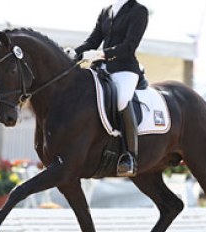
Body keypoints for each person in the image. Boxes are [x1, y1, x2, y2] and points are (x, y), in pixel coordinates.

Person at [71, 0, 149, 177]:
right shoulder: (106, 11)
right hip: (103, 68)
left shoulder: (138, 11)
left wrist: (102, 54)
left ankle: (130, 156)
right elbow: (93, 40)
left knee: (121, 100)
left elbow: (129, 46)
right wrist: (73, 53)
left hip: (125, 69)